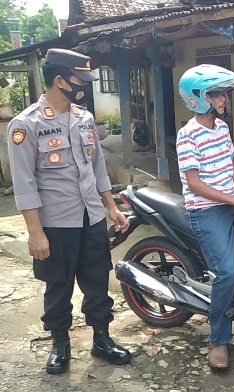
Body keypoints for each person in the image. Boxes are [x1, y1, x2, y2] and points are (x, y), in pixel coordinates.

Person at [7, 48, 132, 374]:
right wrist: (35, 232)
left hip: (90, 217)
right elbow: (24, 183)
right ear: (59, 80)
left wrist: (111, 207)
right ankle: (60, 343)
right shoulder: (26, 124)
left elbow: (98, 168)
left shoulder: (84, 118)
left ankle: (102, 339)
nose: (85, 87)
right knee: (58, 286)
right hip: (55, 224)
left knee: (97, 281)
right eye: (81, 81)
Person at [175, 64, 234, 369]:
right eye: (217, 94)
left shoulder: (222, 128)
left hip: (232, 201)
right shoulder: (187, 135)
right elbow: (194, 183)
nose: (224, 99)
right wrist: (233, 200)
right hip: (206, 211)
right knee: (227, 272)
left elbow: (231, 165)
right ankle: (218, 339)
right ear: (197, 98)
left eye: (224, 93)